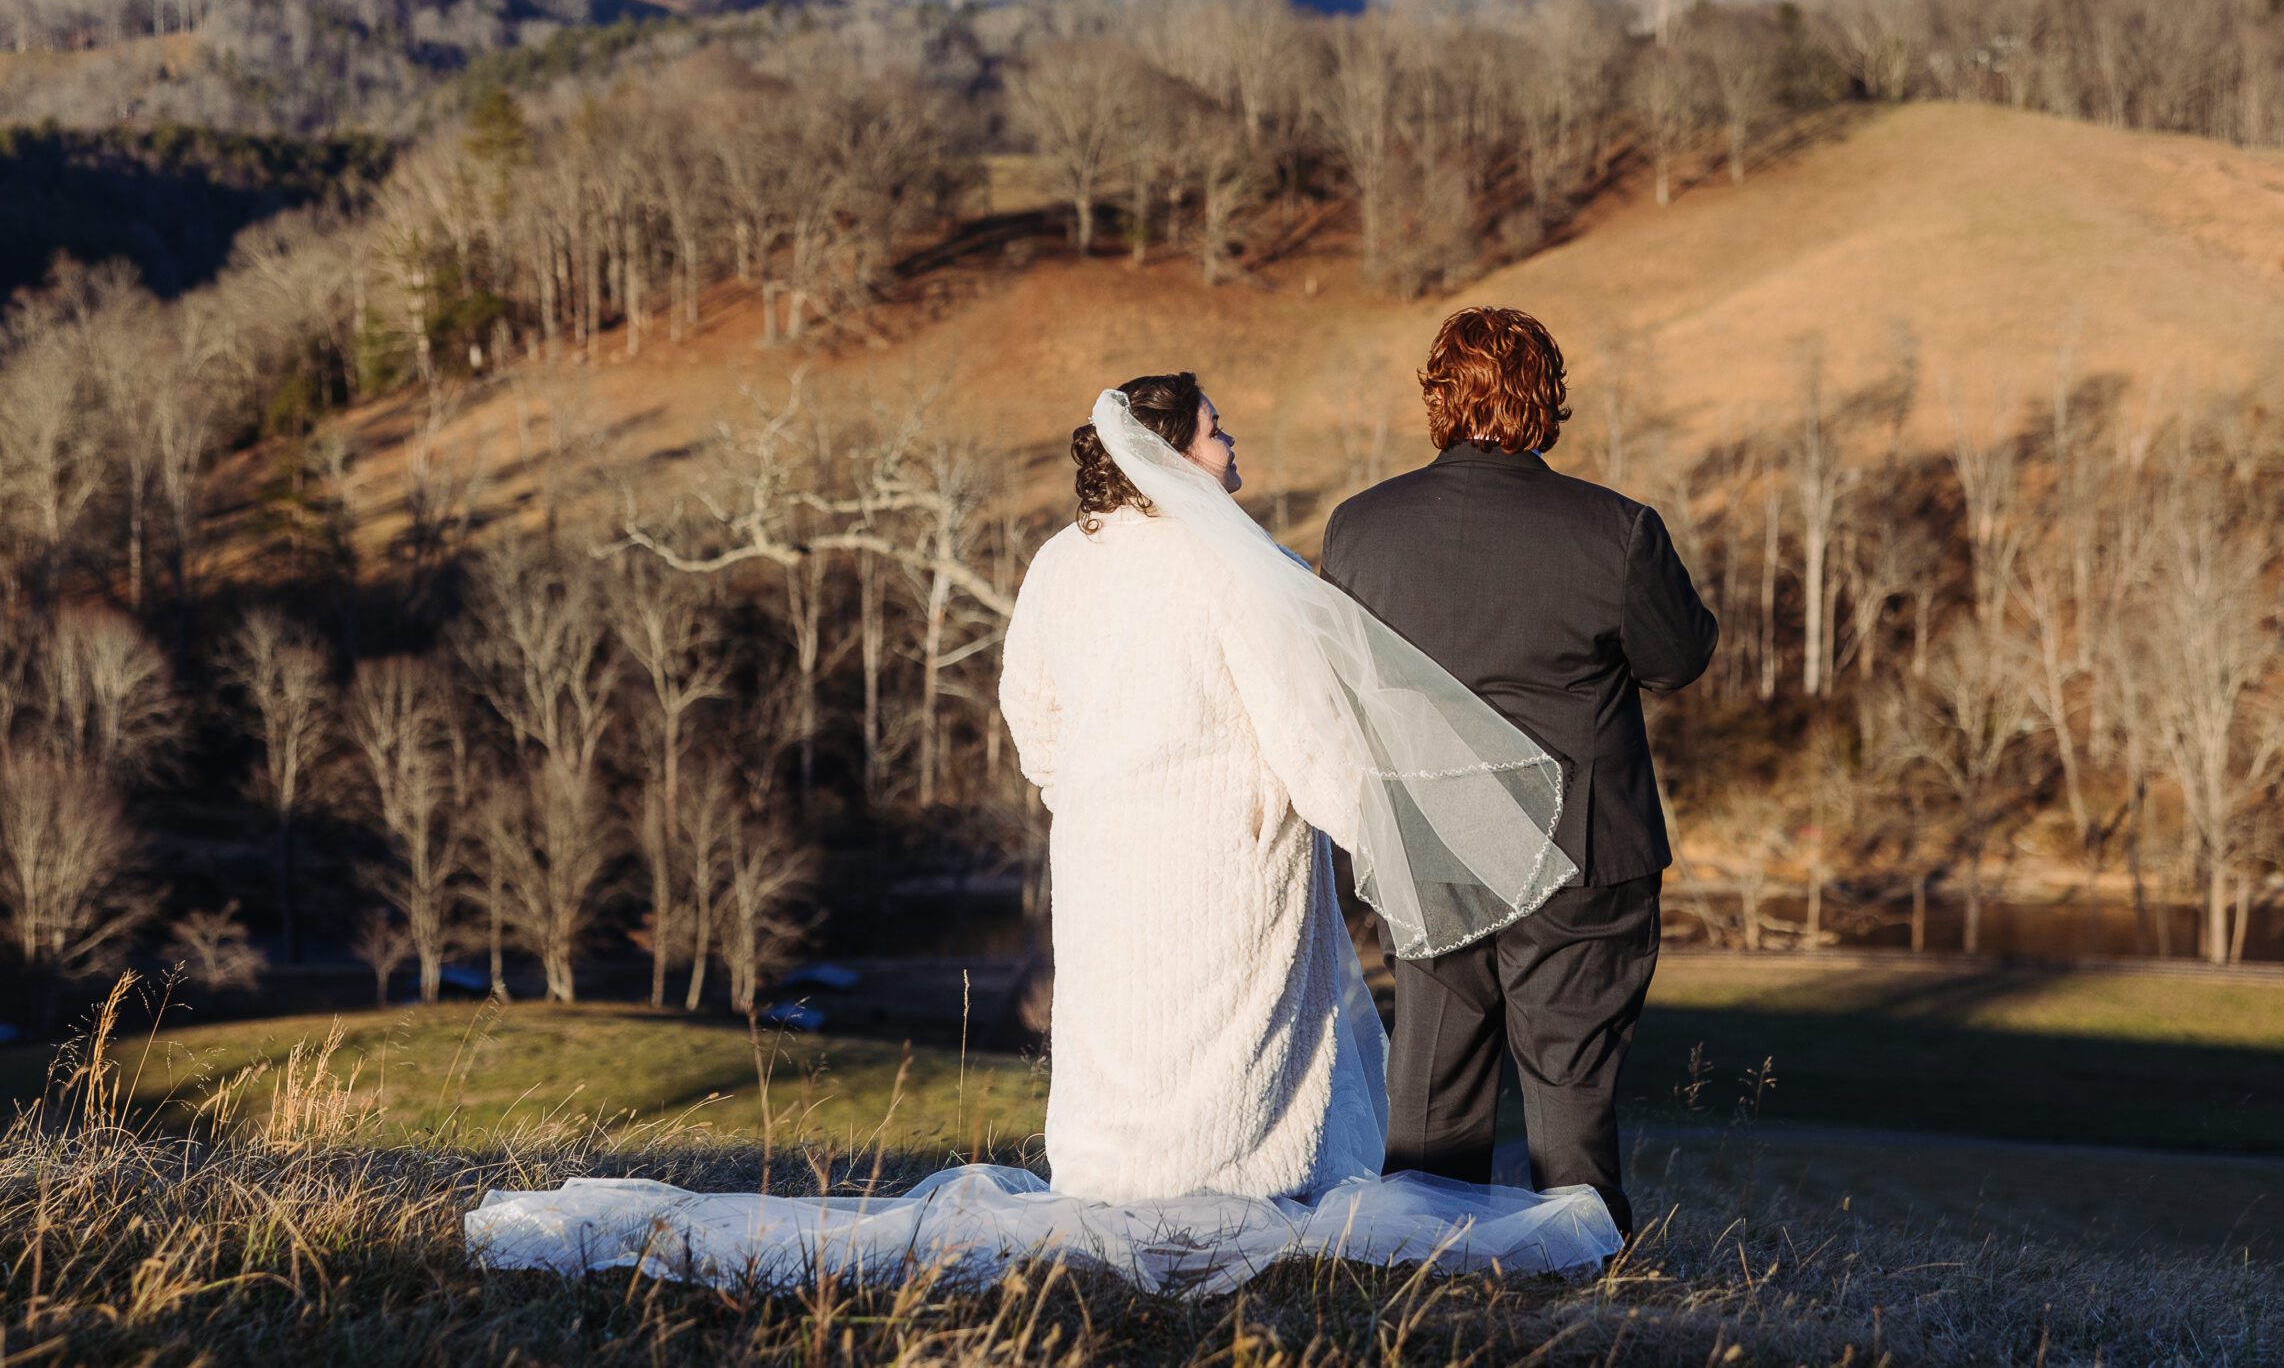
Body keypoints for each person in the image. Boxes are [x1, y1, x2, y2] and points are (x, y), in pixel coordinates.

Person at [465, 371, 1615, 1295]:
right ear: (1168, 453)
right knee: (1232, 1019)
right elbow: (1307, 730)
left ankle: (1121, 1177)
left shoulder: (1061, 562)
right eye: (1218, 434)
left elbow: (1032, 714)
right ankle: (1234, 1181)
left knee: (1126, 1020)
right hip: (1227, 854)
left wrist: (1093, 798)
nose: (1236, 450)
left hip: (1111, 855)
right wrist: (1393, 832)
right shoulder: (1232, 565)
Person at [1321, 308, 1718, 1237]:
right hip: (1579, 850)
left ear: (1438, 397)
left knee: (1430, 1087)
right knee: (1571, 1086)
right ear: (1547, 400)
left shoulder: (1359, 530)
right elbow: (1679, 658)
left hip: (1429, 850)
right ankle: (1582, 1283)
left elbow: (1340, 683)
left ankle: (1421, 1284)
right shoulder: (1615, 531)